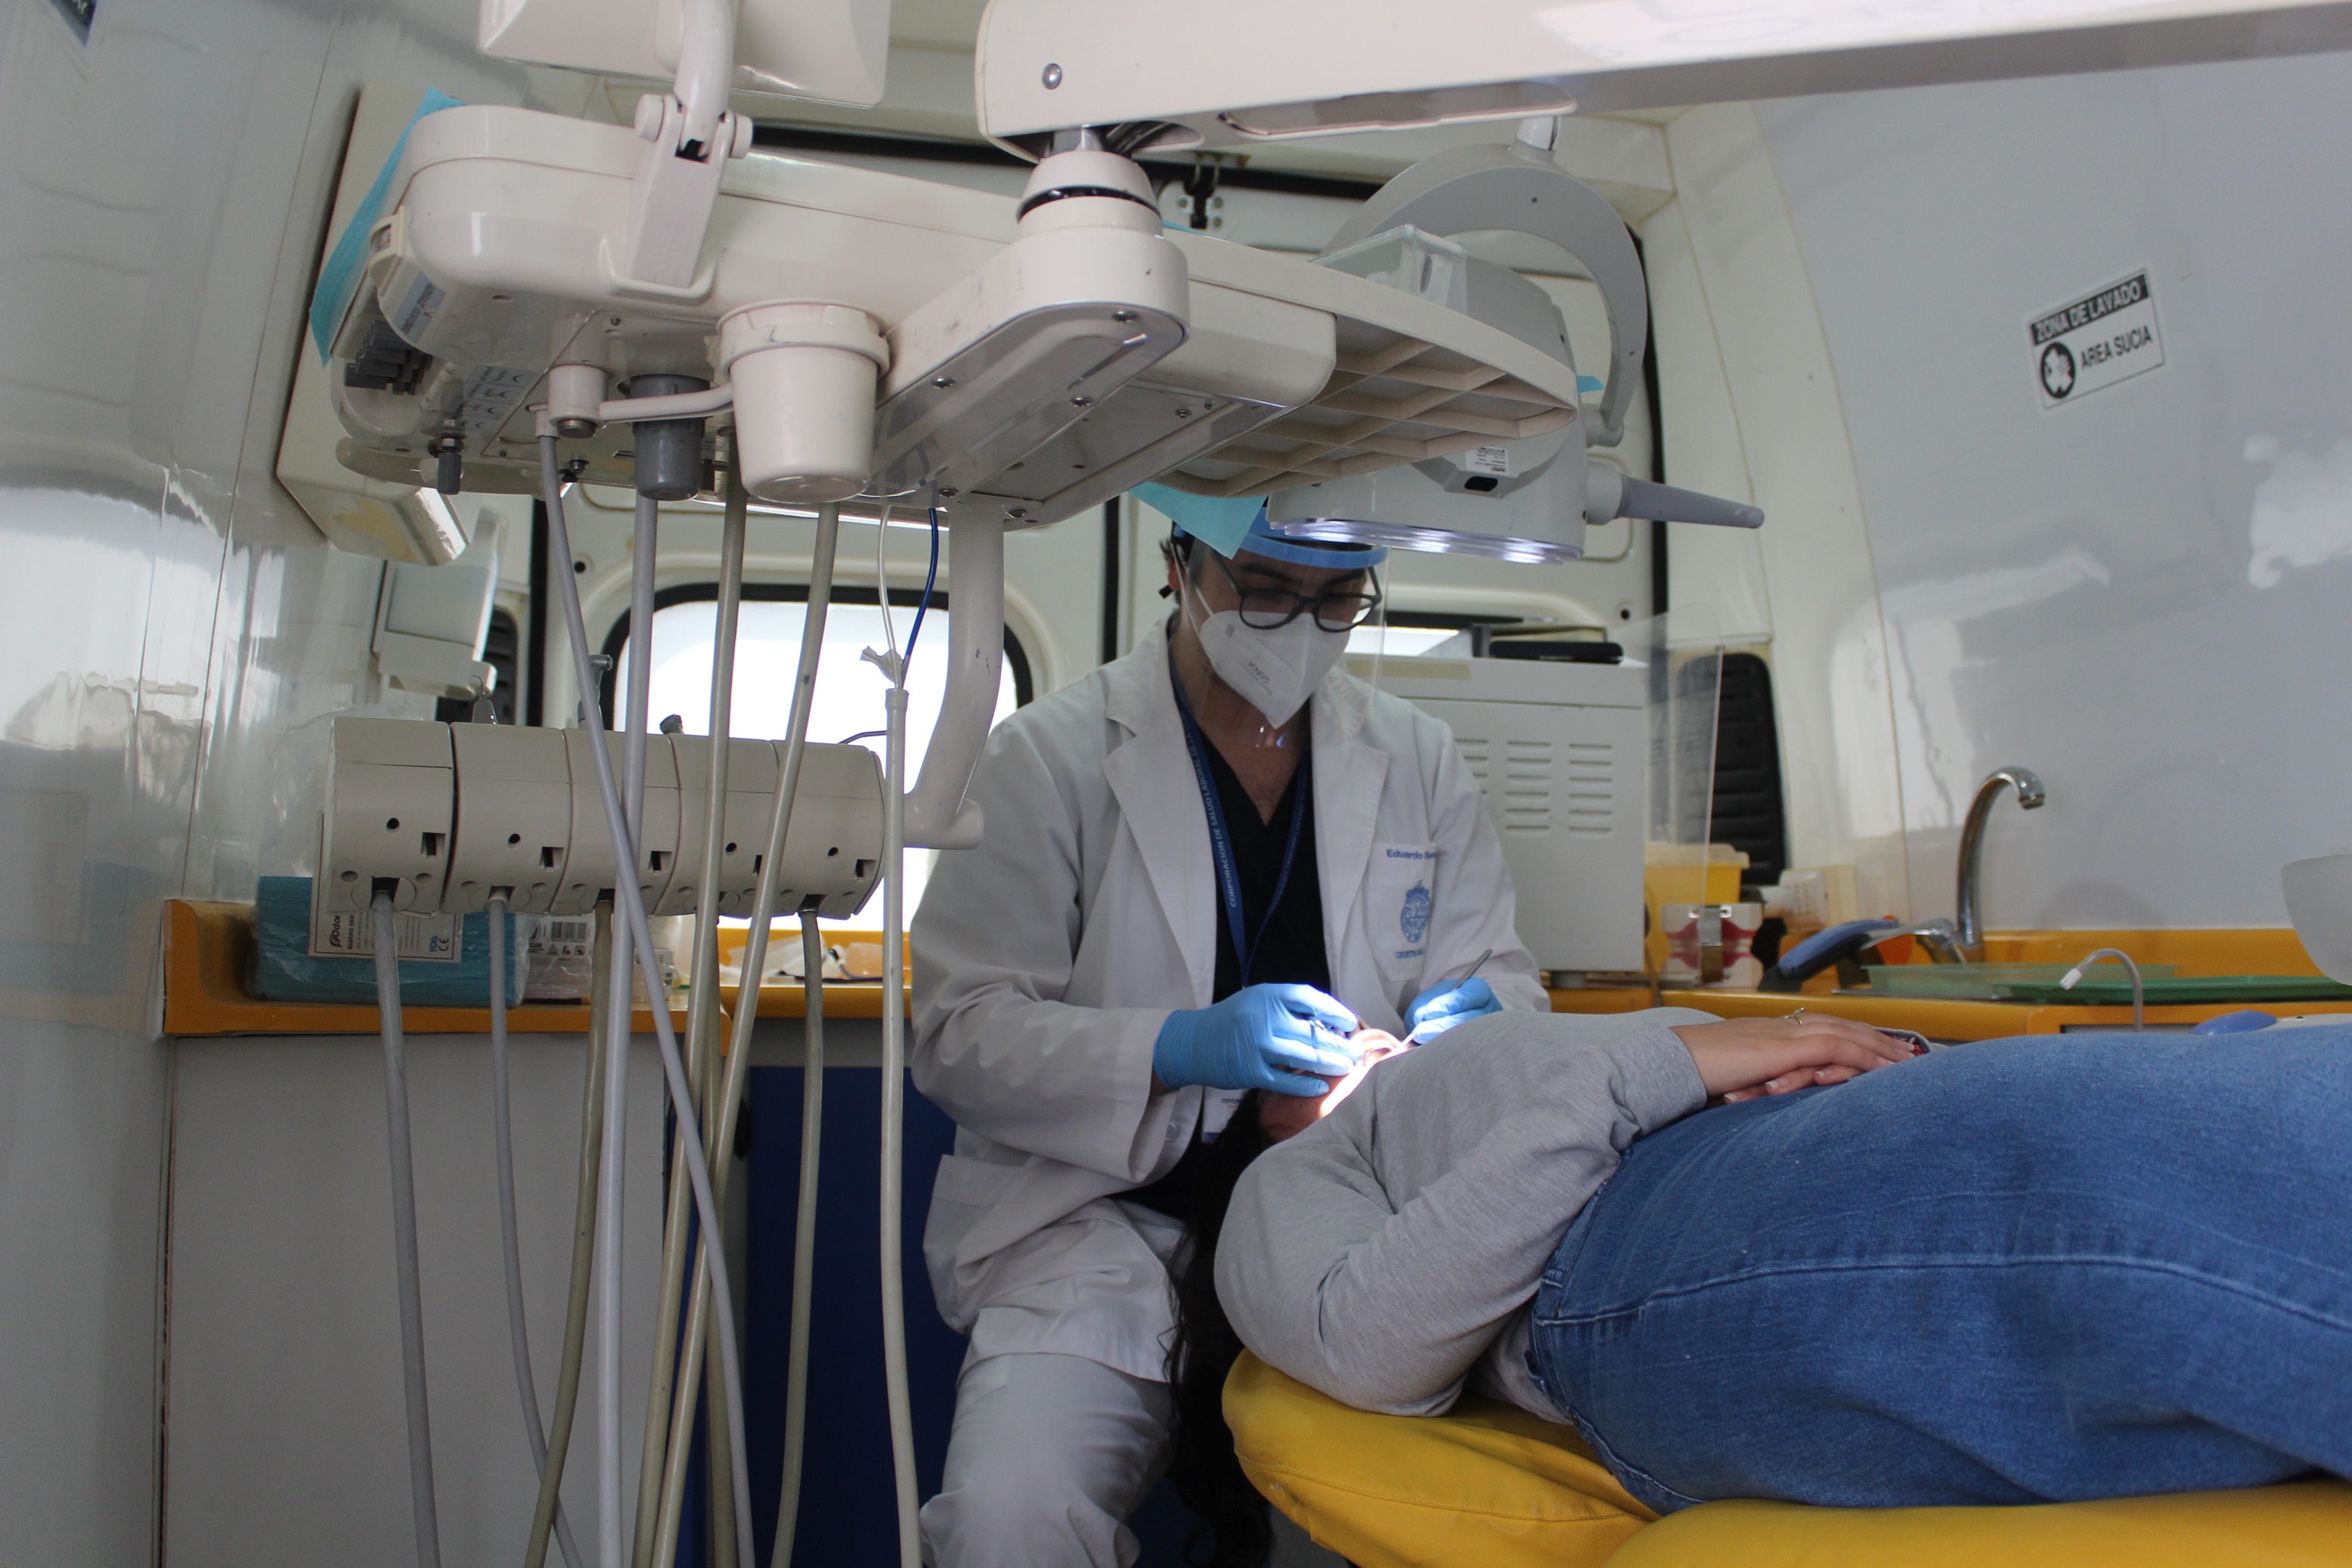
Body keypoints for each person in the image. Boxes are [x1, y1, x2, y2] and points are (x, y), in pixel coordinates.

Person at [910, 507, 1548, 1566]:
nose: (1299, 622)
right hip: (1101, 1231)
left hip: (1344, 1229)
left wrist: (1462, 1025)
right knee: (1010, 1520)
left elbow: (1504, 982)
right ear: (1180, 568)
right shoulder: (1047, 757)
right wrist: (1177, 1045)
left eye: (1336, 595)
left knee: (1376, 1533)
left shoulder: (1416, 758)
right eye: (1261, 584)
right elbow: (960, 1034)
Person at [1165, 1009, 2352, 1566]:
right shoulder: (1306, 1159)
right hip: (1640, 1230)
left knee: (2233, 1100)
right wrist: (1658, 1068)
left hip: (1781, 1144)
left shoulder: (1479, 1047)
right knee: (2128, 1154)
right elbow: (1369, 1341)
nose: (1352, 1027)